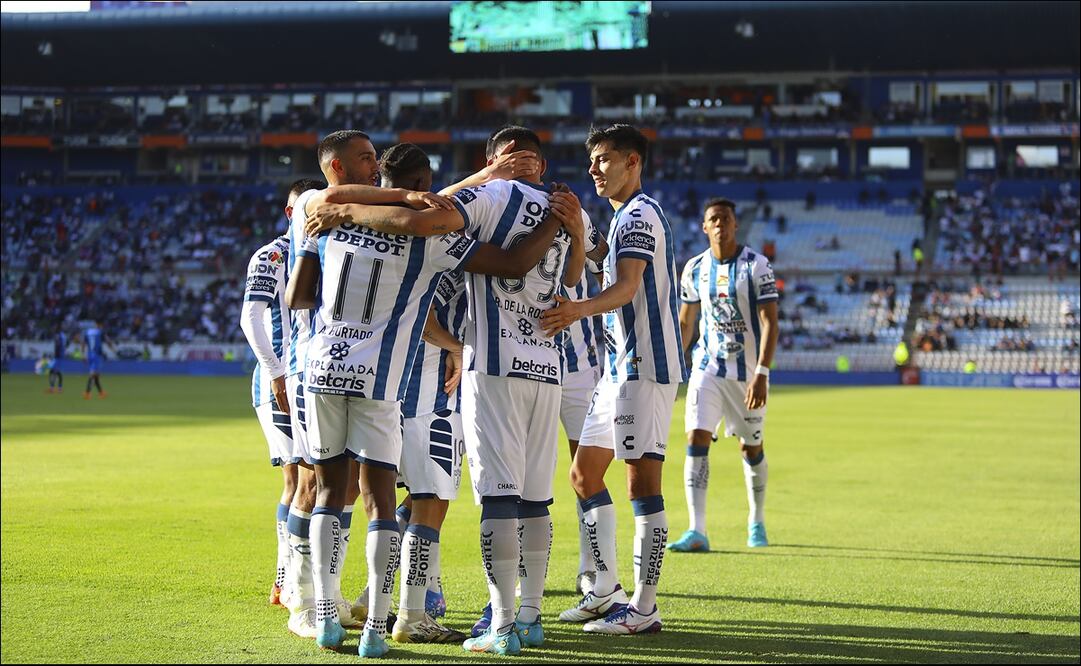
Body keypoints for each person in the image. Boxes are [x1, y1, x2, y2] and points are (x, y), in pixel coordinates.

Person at [302, 125, 599, 655]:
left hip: (340, 369)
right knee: (447, 501)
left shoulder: (320, 209)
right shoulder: (454, 236)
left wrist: (352, 210)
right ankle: (458, 617)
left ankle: (337, 610)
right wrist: (564, 226)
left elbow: (419, 217)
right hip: (440, 378)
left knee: (343, 495)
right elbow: (534, 266)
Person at [539, 124, 687, 636]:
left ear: (633, 162)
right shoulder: (625, 218)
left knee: (642, 484)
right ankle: (606, 589)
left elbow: (627, 288)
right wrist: (584, 237)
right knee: (585, 475)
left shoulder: (640, 214)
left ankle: (644, 610)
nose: (595, 169)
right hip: (618, 368)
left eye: (604, 160)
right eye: (592, 161)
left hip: (644, 367)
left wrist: (576, 309)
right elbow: (612, 265)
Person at [669, 198, 779, 554]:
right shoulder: (694, 269)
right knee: (696, 436)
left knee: (751, 448)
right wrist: (673, 366)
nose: (719, 225)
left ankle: (757, 520)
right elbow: (687, 321)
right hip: (707, 368)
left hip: (746, 375)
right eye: (713, 219)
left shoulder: (756, 266)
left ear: (735, 225)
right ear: (704, 227)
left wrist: (761, 372)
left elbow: (769, 322)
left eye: (726, 219)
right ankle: (697, 530)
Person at [82, 320, 107, 399]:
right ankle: (87, 392)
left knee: (96, 375)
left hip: (90, 354)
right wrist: (113, 348)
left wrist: (83, 355)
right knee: (93, 374)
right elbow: (107, 340)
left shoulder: (88, 332)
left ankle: (101, 392)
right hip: (96, 355)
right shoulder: (100, 332)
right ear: (99, 324)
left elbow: (83, 343)